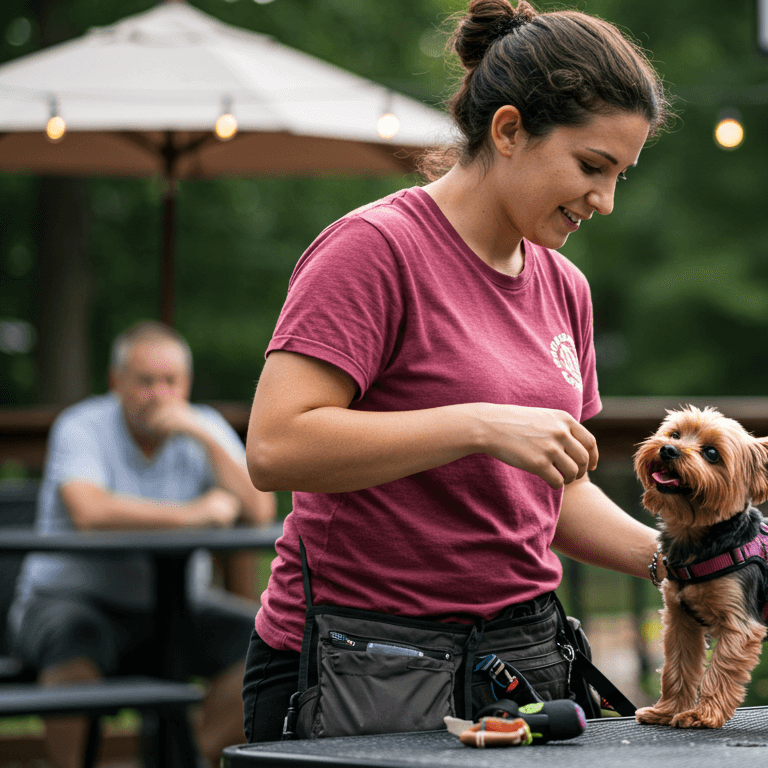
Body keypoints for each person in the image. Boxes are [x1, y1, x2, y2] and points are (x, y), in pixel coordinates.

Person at [239, 0, 673, 743]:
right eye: (591, 167)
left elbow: (552, 493)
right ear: (508, 131)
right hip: (357, 666)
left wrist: (682, 563)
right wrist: (477, 425)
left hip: (521, 664)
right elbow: (276, 447)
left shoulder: (566, 287)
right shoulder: (374, 250)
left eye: (620, 177)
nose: (602, 200)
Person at [8, 321, 277, 768]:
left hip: (175, 608)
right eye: (145, 381)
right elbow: (89, 511)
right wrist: (193, 515)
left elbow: (260, 509)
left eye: (171, 381)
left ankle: (190, 758)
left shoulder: (202, 429)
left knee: (263, 640)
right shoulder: (81, 426)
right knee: (75, 638)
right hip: (69, 602)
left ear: (186, 385)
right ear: (116, 381)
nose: (159, 394)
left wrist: (205, 436)